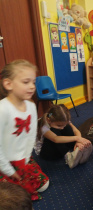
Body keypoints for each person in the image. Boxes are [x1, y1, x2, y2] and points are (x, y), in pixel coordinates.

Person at [0, 59, 49, 200]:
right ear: (8, 84)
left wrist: (26, 160)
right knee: (11, 198)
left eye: (33, 82)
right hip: (4, 161)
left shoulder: (31, 106)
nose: (32, 87)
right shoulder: (3, 109)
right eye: (26, 82)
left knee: (43, 185)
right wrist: (8, 170)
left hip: (23, 158)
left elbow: (31, 135)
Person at [35, 104, 93, 169]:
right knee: (54, 131)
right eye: (59, 125)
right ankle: (68, 157)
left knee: (67, 127)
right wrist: (77, 138)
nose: (62, 128)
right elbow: (55, 139)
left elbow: (76, 131)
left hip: (60, 147)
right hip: (47, 153)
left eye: (63, 125)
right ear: (49, 120)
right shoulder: (43, 126)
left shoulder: (62, 119)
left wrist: (78, 141)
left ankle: (78, 149)